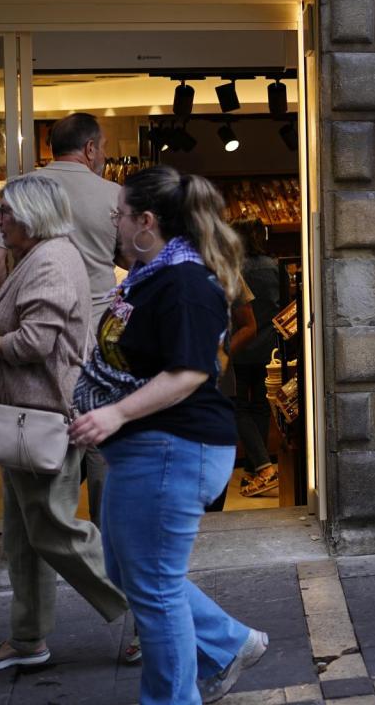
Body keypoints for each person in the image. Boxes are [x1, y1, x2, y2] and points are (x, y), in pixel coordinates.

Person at [66, 166, 269, 703]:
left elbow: (191, 371)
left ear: (146, 221)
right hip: (149, 447)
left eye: (120, 214)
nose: (115, 222)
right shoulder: (152, 273)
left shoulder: (184, 284)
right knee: (130, 570)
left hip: (174, 447)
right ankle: (231, 643)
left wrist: (114, 414)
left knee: (154, 589)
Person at [0, 173, 132, 675]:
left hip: (42, 416)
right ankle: (27, 637)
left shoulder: (51, 260)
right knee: (23, 535)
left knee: (55, 529)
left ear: (31, 216)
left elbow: (36, 342)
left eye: (5, 213)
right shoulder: (39, 257)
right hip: (25, 418)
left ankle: (154, 613)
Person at [0, 112, 125, 525]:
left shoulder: (20, 193)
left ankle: (43, 528)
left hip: (35, 337)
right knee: (100, 439)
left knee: (41, 430)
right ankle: (103, 534)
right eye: (104, 148)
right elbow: (131, 260)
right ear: (91, 148)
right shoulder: (113, 194)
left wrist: (14, 305)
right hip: (97, 334)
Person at [230, 220, 288, 498]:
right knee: (261, 407)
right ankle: (257, 468)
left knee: (238, 406)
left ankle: (261, 466)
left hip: (239, 345)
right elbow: (286, 303)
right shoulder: (274, 265)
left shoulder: (231, 269)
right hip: (268, 346)